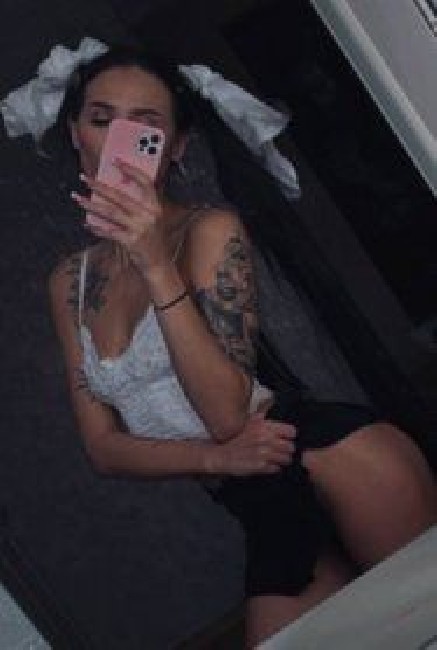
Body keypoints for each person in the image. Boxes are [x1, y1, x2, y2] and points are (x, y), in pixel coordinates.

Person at [18, 43, 433, 646]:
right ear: (75, 133)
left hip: (335, 459)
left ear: (175, 148)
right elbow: (104, 449)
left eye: (145, 126)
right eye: (101, 118)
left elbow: (227, 417)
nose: (118, 142)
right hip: (255, 501)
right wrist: (215, 461)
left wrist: (155, 263)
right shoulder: (69, 284)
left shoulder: (210, 229)